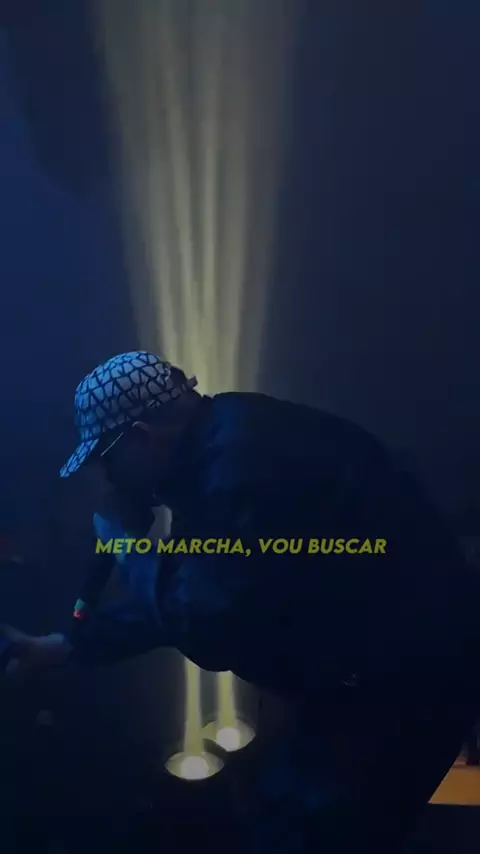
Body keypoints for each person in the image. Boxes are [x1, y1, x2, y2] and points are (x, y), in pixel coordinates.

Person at [5, 350, 480, 852]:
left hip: (407, 683)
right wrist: (69, 646)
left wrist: (127, 546)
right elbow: (194, 592)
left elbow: (207, 626)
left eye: (107, 461)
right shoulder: (226, 441)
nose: (109, 481)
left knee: (303, 831)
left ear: (140, 438)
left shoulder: (239, 473)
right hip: (385, 672)